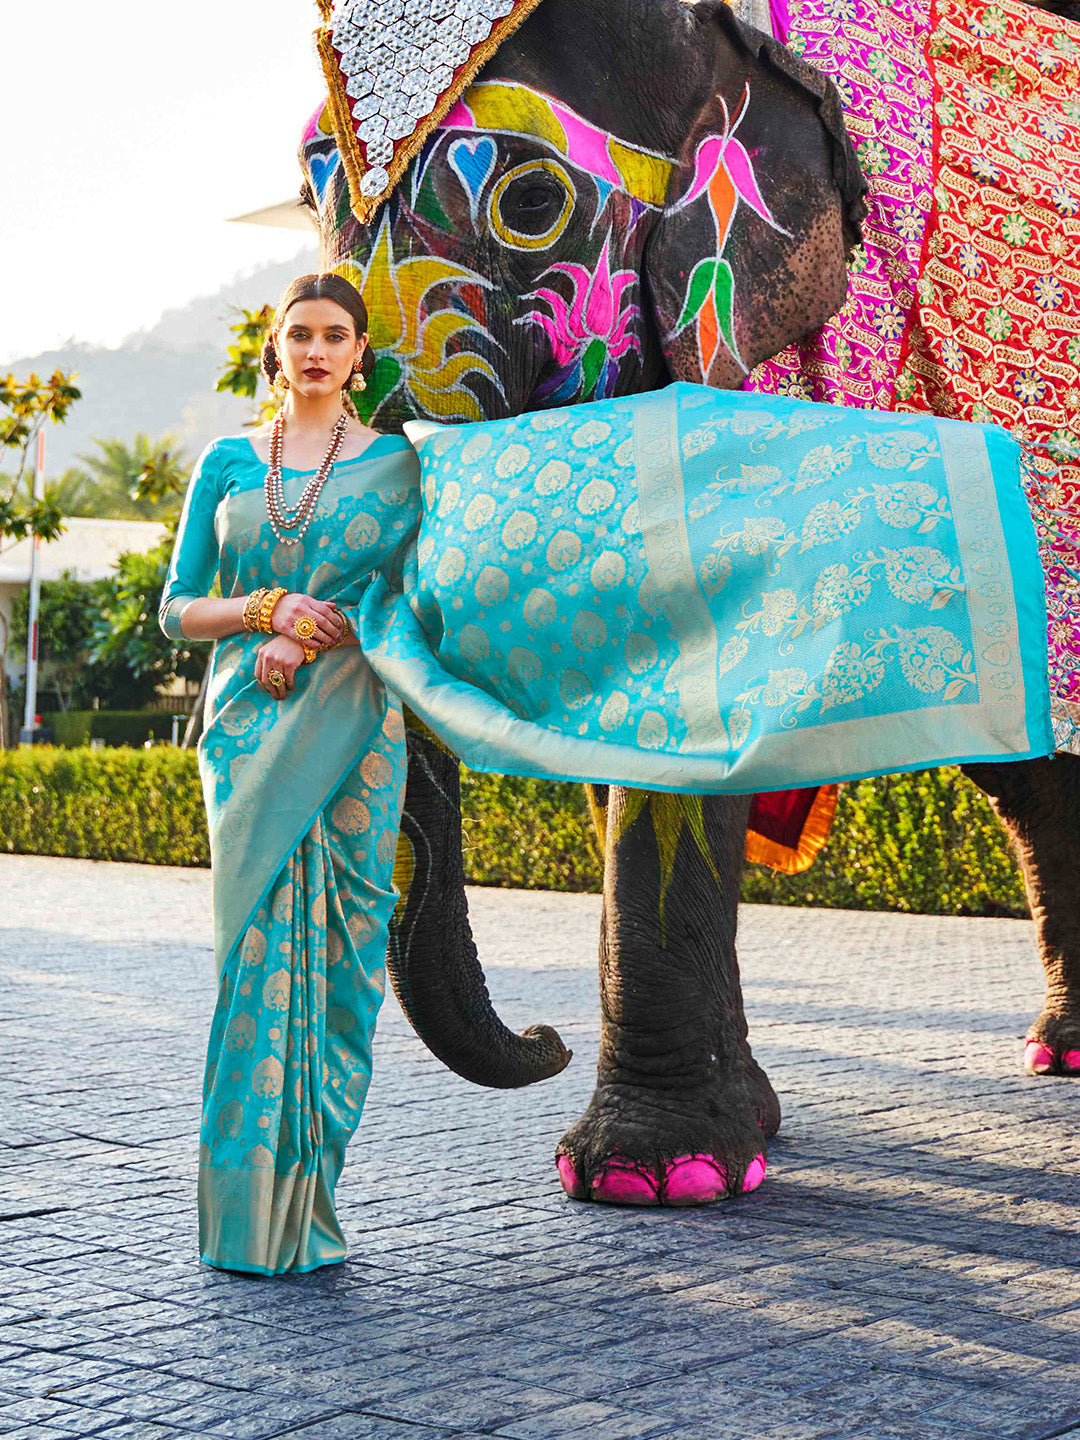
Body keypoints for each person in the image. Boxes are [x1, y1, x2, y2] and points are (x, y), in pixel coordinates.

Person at [159, 273, 421, 1275]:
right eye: (300, 334)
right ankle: (242, 1216)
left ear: (360, 354)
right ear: (276, 349)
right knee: (254, 959)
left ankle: (310, 1205)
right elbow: (178, 607)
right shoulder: (227, 459)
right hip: (248, 733)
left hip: (354, 723)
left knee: (342, 963)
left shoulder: (400, 465)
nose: (316, 351)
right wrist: (265, 611)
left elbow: (410, 599)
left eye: (335, 336)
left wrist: (317, 637)